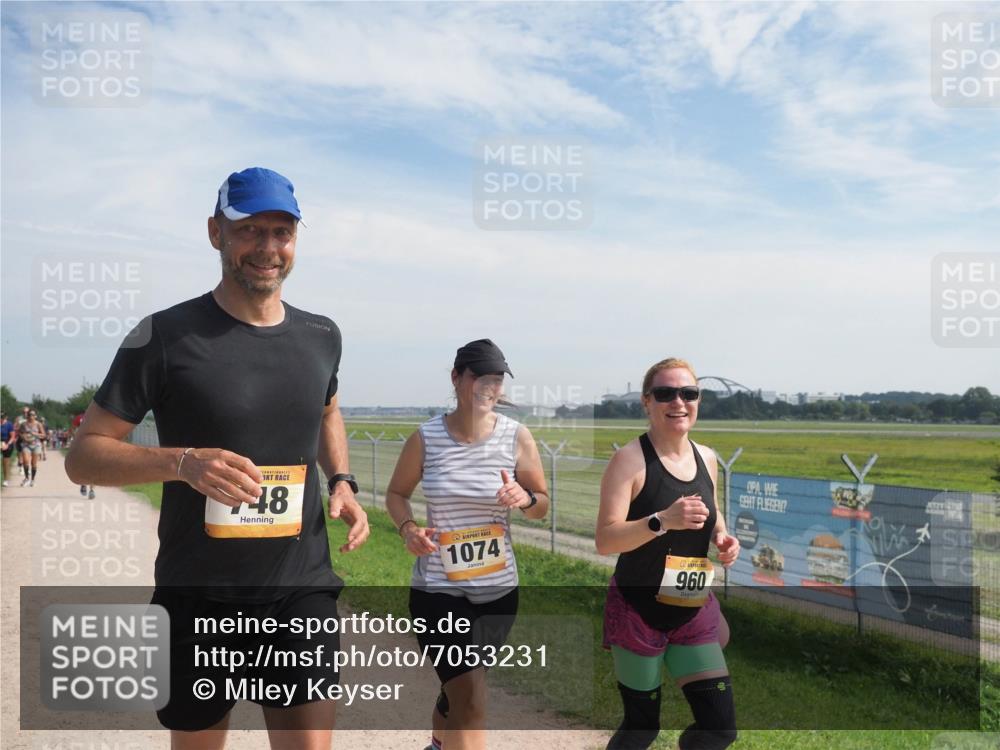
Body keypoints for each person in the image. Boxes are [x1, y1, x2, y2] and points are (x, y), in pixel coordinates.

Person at [65, 167, 370, 750]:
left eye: (282, 232)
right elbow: (85, 457)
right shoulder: (160, 335)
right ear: (215, 234)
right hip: (198, 594)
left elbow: (328, 408)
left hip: (300, 587)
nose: (268, 247)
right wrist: (182, 463)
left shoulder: (321, 334)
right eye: (250, 230)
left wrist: (345, 481)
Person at [385, 339, 550, 750]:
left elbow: (541, 505)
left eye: (496, 381)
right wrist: (408, 528)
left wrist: (525, 499)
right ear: (457, 377)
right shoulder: (426, 438)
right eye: (480, 378)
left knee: (458, 691)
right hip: (438, 590)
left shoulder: (517, 437)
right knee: (471, 697)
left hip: (497, 593)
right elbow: (396, 494)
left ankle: (438, 746)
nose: (488, 388)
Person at [595, 358, 741, 750]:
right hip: (638, 610)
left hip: (690, 608)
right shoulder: (630, 460)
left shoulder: (706, 457)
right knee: (641, 728)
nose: (678, 402)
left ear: (698, 400)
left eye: (688, 393)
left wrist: (724, 539)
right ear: (647, 402)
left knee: (719, 729)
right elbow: (605, 540)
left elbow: (714, 514)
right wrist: (662, 520)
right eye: (665, 393)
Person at [17, 409, 46, 486]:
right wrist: (24, 437)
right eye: (29, 414)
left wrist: (35, 434)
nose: (31, 416)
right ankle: (26, 478)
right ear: (27, 415)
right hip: (26, 445)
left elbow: (43, 435)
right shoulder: (24, 424)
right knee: (26, 461)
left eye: (33, 415)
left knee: (34, 463)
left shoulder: (38, 424)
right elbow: (19, 432)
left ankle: (32, 480)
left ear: (35, 416)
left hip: (36, 445)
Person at [70, 413, 95, 498]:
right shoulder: (80, 418)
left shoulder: (98, 417)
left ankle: (92, 490)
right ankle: (83, 484)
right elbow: (72, 428)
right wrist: (75, 437)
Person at [1, 412, 13, 486]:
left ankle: (6, 479)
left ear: (6, 417)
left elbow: (12, 436)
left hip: (7, 443)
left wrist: (7, 444)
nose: (1, 418)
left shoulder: (9, 424)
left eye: (2, 416)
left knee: (5, 462)